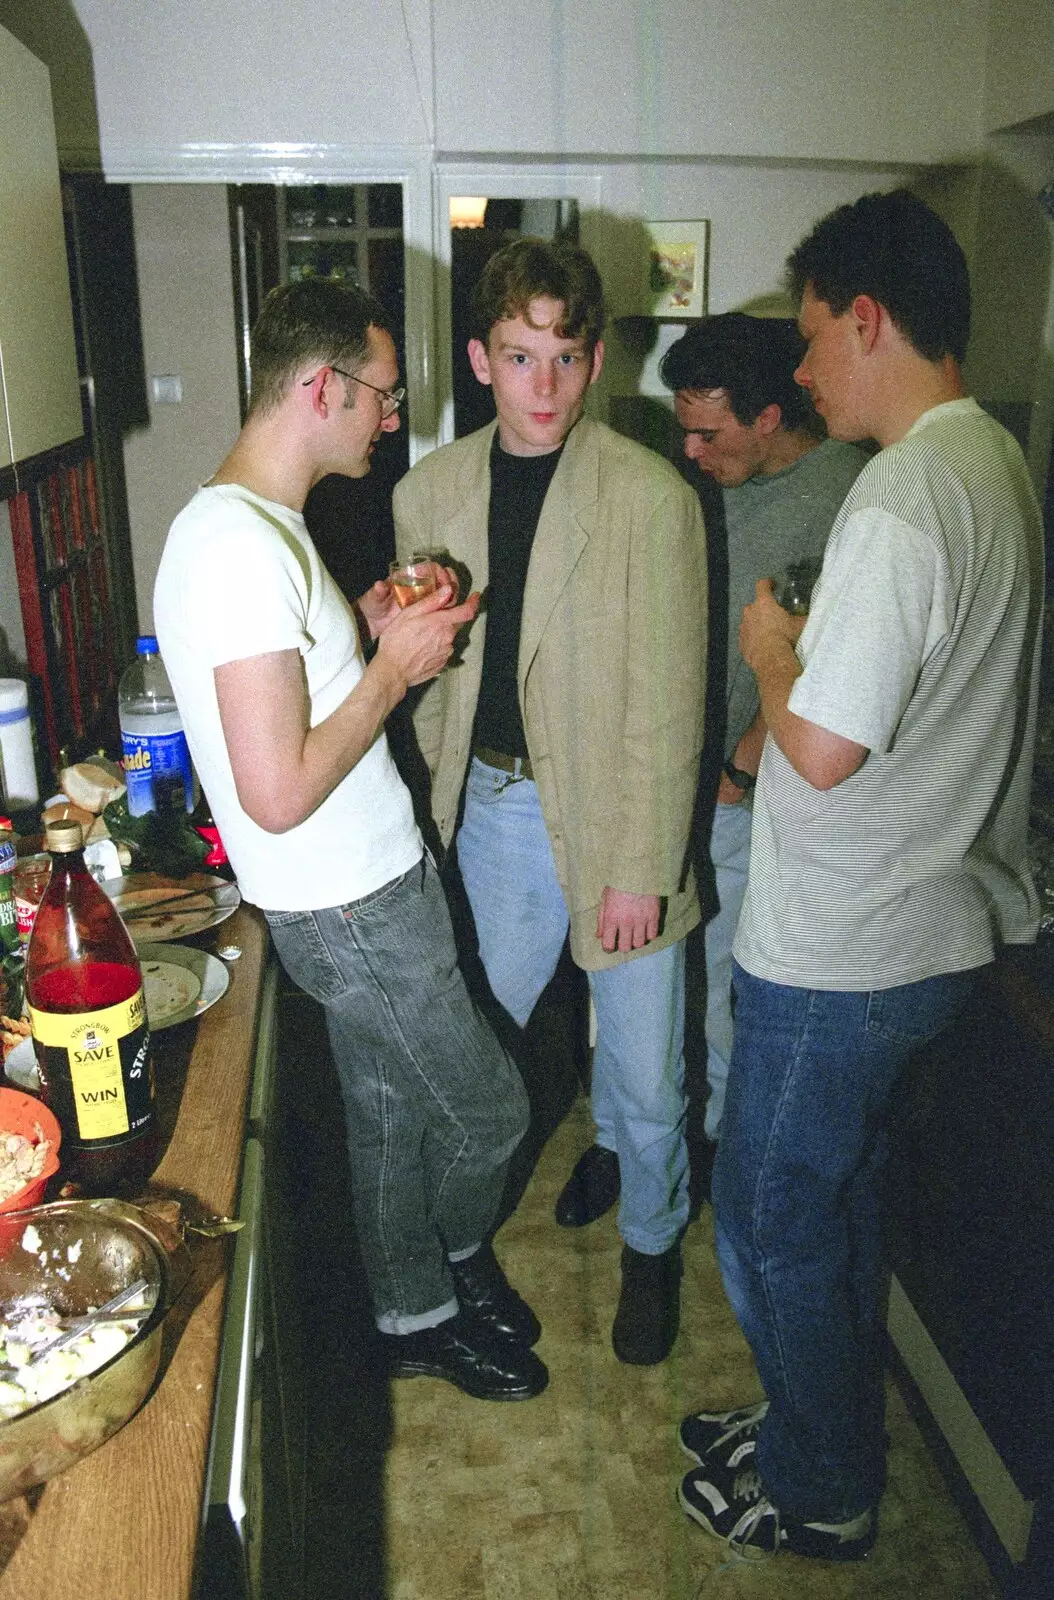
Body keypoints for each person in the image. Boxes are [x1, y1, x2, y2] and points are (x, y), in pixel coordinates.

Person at [677, 189, 1043, 1559]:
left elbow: (816, 749)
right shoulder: (990, 460)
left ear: (868, 318)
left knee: (769, 1220)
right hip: (930, 933)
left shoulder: (895, 497)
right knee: (836, 1207)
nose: (804, 369)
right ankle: (804, 1422)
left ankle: (821, 1484)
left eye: (815, 336)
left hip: (841, 951)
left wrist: (775, 646)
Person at [153, 277, 549, 1403]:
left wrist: (363, 630)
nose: (390, 416)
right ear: (323, 384)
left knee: (385, 1113)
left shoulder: (260, 526)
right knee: (488, 1113)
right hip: (350, 903)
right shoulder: (234, 546)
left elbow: (282, 699)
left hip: (368, 885)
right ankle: (455, 1260)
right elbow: (274, 791)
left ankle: (411, 1313)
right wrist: (392, 671)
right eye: (380, 394)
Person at [394, 238, 708, 1365]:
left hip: (618, 814)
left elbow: (670, 705)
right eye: (520, 357)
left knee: (641, 1066)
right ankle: (451, 1253)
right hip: (490, 812)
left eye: (565, 359)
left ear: (594, 359)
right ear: (480, 357)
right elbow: (428, 690)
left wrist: (640, 868)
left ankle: (652, 1247)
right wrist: (428, 827)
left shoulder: (650, 496)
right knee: (473, 1048)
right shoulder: (427, 491)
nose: (543, 387)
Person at [659, 313, 868, 1172]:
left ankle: (720, 1147)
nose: (692, 452)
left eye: (708, 433)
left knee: (729, 983)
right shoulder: (714, 484)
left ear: (770, 417)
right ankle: (675, 1130)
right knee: (676, 974)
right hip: (682, 775)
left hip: (759, 786)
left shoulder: (848, 493)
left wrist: (743, 761)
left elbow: (836, 657)